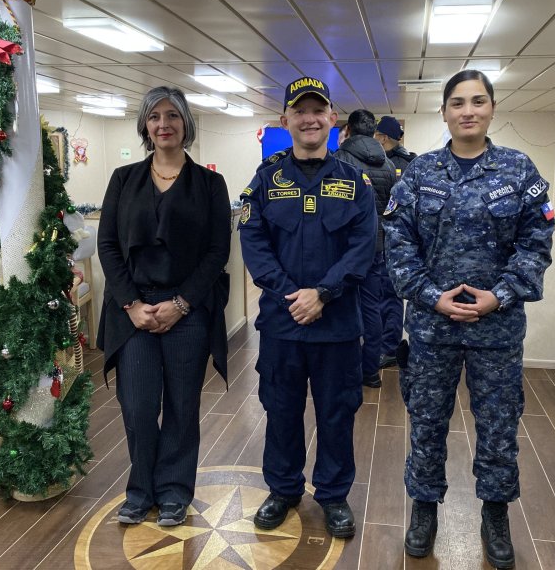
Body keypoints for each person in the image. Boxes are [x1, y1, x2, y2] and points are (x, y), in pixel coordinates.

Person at [382, 70, 554, 568]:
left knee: (499, 426)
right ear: (444, 113)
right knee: (427, 422)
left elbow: (535, 245)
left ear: (493, 108)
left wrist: (497, 296)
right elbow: (398, 246)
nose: (468, 111)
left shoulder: (519, 171)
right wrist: (431, 297)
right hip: (434, 329)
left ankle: (495, 512)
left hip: (496, 329)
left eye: (478, 101)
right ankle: (424, 508)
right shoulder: (420, 173)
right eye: (457, 103)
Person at [238, 76, 376, 539]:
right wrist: (291, 295)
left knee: (337, 412)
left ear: (332, 120)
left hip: (336, 325)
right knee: (280, 408)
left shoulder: (355, 182)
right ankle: (283, 489)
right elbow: (254, 243)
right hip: (282, 323)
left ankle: (334, 496)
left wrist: (323, 293)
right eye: (300, 111)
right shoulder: (266, 180)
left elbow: (363, 246)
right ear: (285, 121)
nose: (309, 118)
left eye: (318, 110)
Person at [97, 86, 232, 527]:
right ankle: (141, 490)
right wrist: (132, 303)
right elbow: (108, 246)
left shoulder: (210, 184)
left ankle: (174, 491)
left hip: (187, 310)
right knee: (136, 406)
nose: (163, 124)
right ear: (144, 125)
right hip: (132, 310)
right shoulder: (123, 179)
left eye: (172, 115)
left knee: (181, 405)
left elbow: (216, 252)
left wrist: (180, 303)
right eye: (154, 116)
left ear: (186, 123)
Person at [334, 109, 397, 388]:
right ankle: (370, 371)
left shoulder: (339, 160)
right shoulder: (387, 164)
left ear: (347, 130)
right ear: (374, 132)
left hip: (344, 249)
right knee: (372, 309)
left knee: (340, 308)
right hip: (377, 247)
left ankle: (342, 371)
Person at [374, 116, 416, 368]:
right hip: (401, 241)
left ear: (384, 138)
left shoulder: (387, 163)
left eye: (377, 137)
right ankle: (386, 344)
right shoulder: (413, 161)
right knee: (389, 295)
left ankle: (388, 347)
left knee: (387, 295)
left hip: (390, 240)